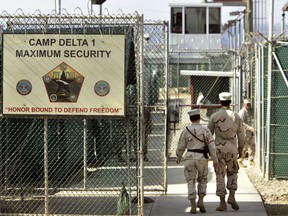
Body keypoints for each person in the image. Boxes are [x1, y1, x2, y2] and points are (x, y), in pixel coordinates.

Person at [207, 92, 245, 211]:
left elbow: (208, 134)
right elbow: (241, 135)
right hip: (232, 148)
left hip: (218, 149)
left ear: (220, 102)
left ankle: (222, 202)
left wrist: (209, 150)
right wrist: (240, 148)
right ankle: (232, 196)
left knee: (220, 174)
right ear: (230, 102)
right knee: (233, 172)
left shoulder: (214, 116)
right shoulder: (236, 116)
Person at [176, 109, 218, 214]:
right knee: (203, 180)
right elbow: (212, 147)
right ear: (199, 118)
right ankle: (201, 200)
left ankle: (193, 204)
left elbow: (181, 146)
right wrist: (215, 160)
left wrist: (179, 157)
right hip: (202, 158)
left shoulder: (186, 130)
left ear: (190, 118)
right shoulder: (206, 130)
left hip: (189, 158)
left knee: (191, 181)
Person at [238, 99, 255, 167]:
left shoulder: (249, 111)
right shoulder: (242, 112)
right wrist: (249, 128)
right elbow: (241, 123)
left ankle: (251, 160)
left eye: (249, 104)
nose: (248, 105)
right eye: (247, 104)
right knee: (244, 147)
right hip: (245, 132)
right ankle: (240, 160)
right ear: (244, 104)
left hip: (250, 132)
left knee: (252, 145)